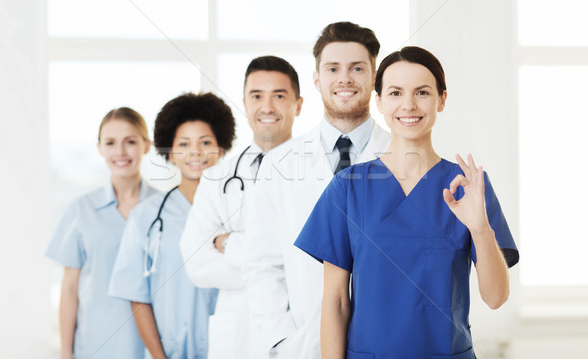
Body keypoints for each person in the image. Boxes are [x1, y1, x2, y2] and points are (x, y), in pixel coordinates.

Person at [294, 46, 520, 358]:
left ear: (442, 99)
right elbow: (335, 301)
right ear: (380, 102)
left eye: (422, 92)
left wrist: (481, 229)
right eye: (396, 93)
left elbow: (496, 298)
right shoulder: (348, 188)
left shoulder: (468, 187)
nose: (409, 105)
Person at [241, 22, 392, 358]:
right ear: (317, 79)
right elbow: (261, 263)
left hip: (389, 342)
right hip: (304, 345)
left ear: (375, 77)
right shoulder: (280, 163)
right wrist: (282, 339)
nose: (345, 79)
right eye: (333, 69)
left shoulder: (404, 156)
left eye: (357, 68)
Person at [179, 56, 303, 359]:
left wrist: (230, 243)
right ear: (245, 103)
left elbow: (316, 262)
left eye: (279, 96)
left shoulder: (319, 173)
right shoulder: (217, 177)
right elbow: (197, 264)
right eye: (257, 96)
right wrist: (283, 267)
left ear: (298, 105)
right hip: (236, 337)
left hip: (298, 331)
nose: (267, 106)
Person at [108, 92, 236, 359]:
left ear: (221, 148)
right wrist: (159, 356)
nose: (195, 153)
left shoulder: (238, 211)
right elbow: (138, 296)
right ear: (171, 152)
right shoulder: (146, 216)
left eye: (205, 142)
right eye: (184, 144)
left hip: (232, 347)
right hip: (170, 352)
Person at [46, 107, 156, 359]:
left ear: (146, 145)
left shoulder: (164, 208)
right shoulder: (80, 210)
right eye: (110, 143)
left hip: (152, 349)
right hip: (94, 347)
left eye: (130, 142)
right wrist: (66, 353)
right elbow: (70, 289)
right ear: (100, 148)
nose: (120, 152)